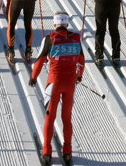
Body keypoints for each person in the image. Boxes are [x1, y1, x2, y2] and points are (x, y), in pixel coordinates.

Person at [29, 12, 84, 165]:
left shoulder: (49, 38)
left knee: (50, 117)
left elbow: (39, 60)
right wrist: (79, 75)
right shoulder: (76, 38)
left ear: (54, 24)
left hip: (54, 83)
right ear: (66, 24)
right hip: (70, 83)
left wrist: (33, 77)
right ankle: (67, 152)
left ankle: (46, 151)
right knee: (66, 117)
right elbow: (81, 59)